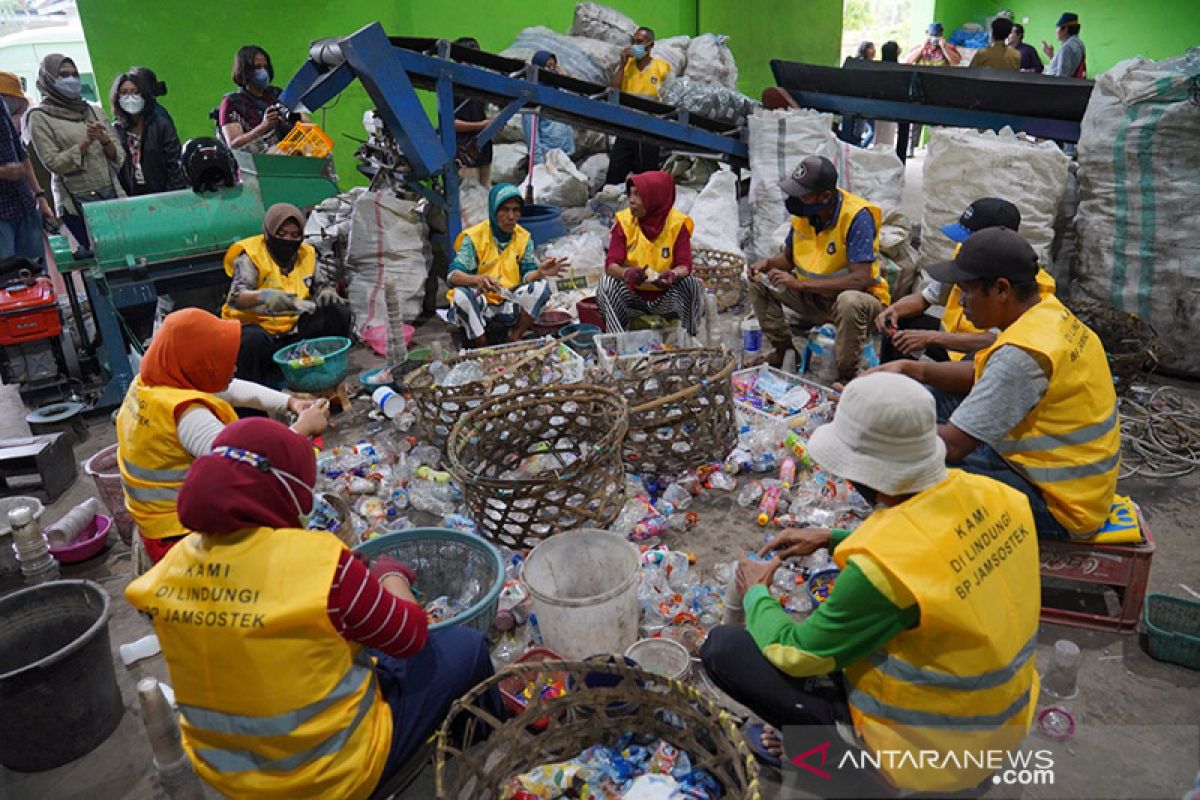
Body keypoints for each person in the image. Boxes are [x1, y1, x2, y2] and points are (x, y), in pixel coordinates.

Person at [125, 417, 503, 799]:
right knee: (466, 649)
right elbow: (411, 635)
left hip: (228, 778)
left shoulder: (171, 568)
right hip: (330, 778)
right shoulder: (319, 565)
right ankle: (479, 750)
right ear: (286, 490)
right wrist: (392, 577)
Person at [700, 372, 1040, 795]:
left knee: (724, 650)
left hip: (932, 761)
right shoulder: (999, 497)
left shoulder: (882, 570)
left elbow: (797, 652)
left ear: (864, 475)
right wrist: (833, 537)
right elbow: (939, 548)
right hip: (999, 725)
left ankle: (841, 773)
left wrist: (755, 593)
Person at [867, 227, 1120, 540]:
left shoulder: (1023, 354)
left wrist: (873, 424)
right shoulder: (1046, 313)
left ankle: (898, 549)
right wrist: (911, 369)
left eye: (967, 291)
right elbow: (983, 378)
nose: (960, 300)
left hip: (1060, 504)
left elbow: (954, 446)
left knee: (900, 464)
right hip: (1069, 478)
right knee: (928, 398)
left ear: (1002, 290)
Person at [116, 308, 329, 565]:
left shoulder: (152, 382)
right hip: (180, 535)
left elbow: (228, 387)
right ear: (197, 366)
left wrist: (291, 403)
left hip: (154, 523)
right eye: (220, 361)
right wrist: (302, 429)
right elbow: (244, 468)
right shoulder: (186, 415)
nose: (234, 367)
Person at [747, 156, 890, 383]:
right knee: (759, 283)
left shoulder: (856, 217)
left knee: (849, 301)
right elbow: (788, 259)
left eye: (803, 194)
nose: (796, 200)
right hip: (815, 298)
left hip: (859, 305)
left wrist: (799, 284)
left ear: (824, 197)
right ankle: (784, 352)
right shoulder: (804, 215)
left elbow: (860, 279)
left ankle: (846, 376)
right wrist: (767, 265)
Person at [877, 197, 1055, 363]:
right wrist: (894, 310)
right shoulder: (966, 260)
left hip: (981, 353)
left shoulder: (1031, 285)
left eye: (969, 241)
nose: (963, 246)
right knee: (900, 326)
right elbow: (926, 297)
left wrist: (930, 338)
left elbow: (998, 339)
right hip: (950, 341)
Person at [221, 203, 352, 388]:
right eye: (281, 235)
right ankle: (253, 402)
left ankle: (324, 377)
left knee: (336, 312)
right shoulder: (251, 256)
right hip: (257, 333)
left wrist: (326, 292)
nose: (288, 240)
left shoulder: (306, 253)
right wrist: (264, 297)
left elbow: (321, 284)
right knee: (253, 340)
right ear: (268, 232)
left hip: (292, 332)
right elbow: (236, 298)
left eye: (294, 235)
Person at [27, 54, 125, 251]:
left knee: (123, 250)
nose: (71, 80)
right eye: (63, 75)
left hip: (112, 193)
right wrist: (85, 143)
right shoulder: (39, 117)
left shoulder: (93, 110)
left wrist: (105, 141)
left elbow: (120, 155)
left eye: (74, 75)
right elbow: (53, 163)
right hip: (77, 200)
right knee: (97, 256)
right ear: (48, 79)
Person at [448, 183, 563, 346]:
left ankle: (514, 336)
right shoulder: (475, 237)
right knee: (460, 296)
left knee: (541, 287)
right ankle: (481, 344)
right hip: (482, 303)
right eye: (504, 210)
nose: (511, 216)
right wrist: (477, 279)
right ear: (494, 211)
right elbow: (453, 276)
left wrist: (540, 272)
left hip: (509, 300)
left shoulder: (523, 237)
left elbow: (527, 274)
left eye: (516, 210)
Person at [596, 170, 704, 336]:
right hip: (633, 298)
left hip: (665, 299)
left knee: (692, 285)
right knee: (606, 284)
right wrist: (626, 273)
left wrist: (673, 274)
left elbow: (685, 265)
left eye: (638, 195)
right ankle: (618, 341)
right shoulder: (624, 223)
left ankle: (689, 337)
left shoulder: (677, 225)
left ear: (655, 198)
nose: (631, 201)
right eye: (630, 194)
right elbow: (611, 265)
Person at [604, 26, 669, 186]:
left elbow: (669, 97)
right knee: (614, 174)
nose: (635, 45)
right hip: (626, 127)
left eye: (639, 42)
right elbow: (613, 90)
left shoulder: (661, 67)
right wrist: (621, 64)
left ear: (650, 45)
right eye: (633, 41)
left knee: (646, 178)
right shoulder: (627, 66)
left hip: (650, 129)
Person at [0, 72, 52, 263]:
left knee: (37, 276)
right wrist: (3, 172)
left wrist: (40, 197)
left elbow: (20, 152)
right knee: (8, 282)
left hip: (24, 204)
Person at [110, 70, 186, 196]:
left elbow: (174, 163)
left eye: (135, 92)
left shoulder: (160, 124)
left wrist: (173, 195)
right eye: (124, 93)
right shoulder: (116, 129)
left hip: (165, 194)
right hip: (133, 196)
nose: (130, 97)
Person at [218, 45, 298, 153]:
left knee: (320, 152)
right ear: (244, 70)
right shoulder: (232, 103)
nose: (263, 72)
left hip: (284, 147)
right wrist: (264, 126)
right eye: (258, 67)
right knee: (285, 153)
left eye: (265, 67)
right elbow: (233, 144)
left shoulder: (276, 94)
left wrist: (287, 122)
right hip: (255, 159)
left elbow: (304, 121)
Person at [453, 38, 495, 188]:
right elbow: (451, 124)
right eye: (469, 61)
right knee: (470, 200)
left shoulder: (478, 86)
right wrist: (481, 125)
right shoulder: (451, 86)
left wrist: (493, 123)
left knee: (485, 196)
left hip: (483, 151)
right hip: (465, 153)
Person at [522, 52, 575, 164]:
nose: (552, 70)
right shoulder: (533, 96)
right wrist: (539, 162)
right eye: (548, 66)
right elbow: (531, 134)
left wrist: (564, 80)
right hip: (547, 157)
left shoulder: (559, 92)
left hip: (565, 155)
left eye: (554, 66)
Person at [1043, 12, 1086, 78]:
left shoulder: (1066, 48)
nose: (1055, 31)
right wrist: (1051, 55)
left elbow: (1062, 78)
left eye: (1057, 28)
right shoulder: (1079, 43)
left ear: (1065, 29)